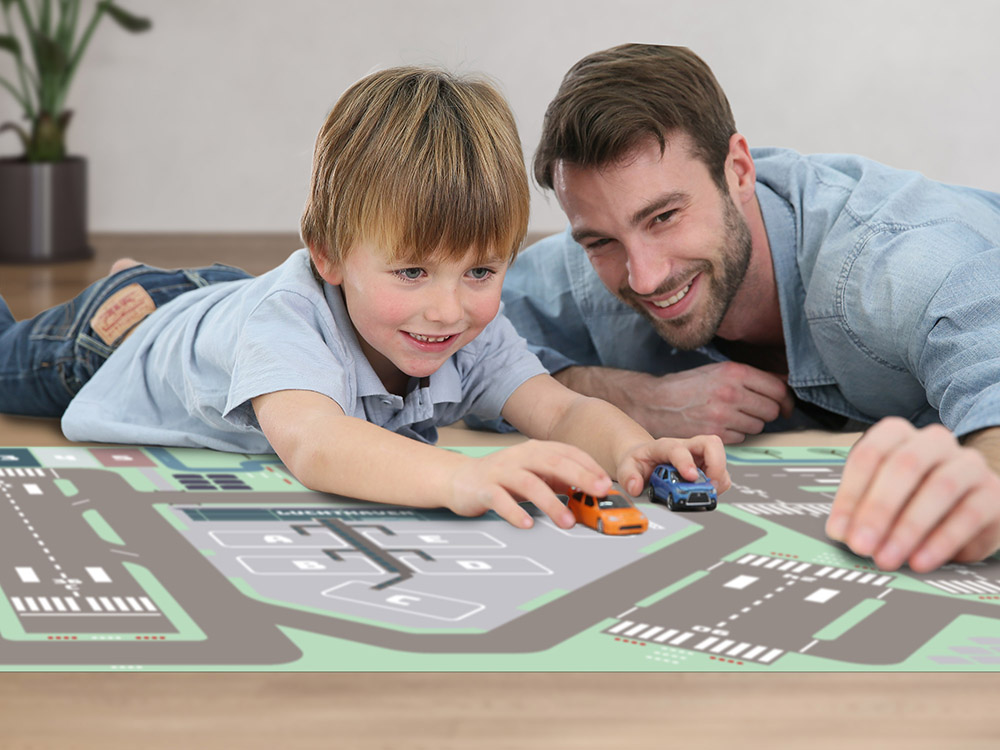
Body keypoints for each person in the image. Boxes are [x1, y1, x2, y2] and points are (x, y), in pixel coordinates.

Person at [0, 66, 729, 530]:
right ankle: (139, 287)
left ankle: (170, 289)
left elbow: (561, 409)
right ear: (329, 255)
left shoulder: (468, 329)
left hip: (229, 308)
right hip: (117, 337)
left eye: (480, 272)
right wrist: (460, 476)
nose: (448, 310)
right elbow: (317, 443)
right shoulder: (288, 322)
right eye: (412, 273)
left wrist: (640, 451)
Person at [499, 44, 1000, 572]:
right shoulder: (585, 267)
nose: (643, 276)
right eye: (601, 241)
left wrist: (985, 478)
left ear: (738, 171)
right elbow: (451, 343)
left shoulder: (897, 262)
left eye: (664, 216)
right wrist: (627, 397)